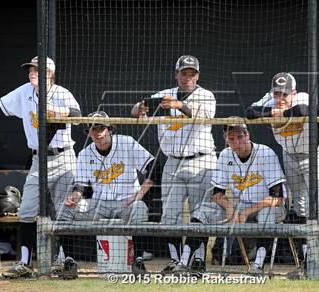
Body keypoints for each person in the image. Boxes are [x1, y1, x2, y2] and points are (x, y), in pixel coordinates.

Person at [0, 56, 81, 278]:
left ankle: (67, 261)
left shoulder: (62, 93)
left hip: (63, 158)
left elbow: (78, 116)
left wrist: (57, 113)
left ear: (49, 73)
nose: (32, 72)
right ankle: (24, 263)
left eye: (37, 69)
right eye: (31, 69)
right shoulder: (24, 91)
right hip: (38, 159)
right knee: (26, 211)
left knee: (66, 211)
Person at [131, 55, 217, 273]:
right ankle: (175, 259)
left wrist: (180, 105)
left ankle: (197, 260)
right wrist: (138, 109)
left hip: (202, 159)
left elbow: (205, 115)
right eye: (184, 73)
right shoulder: (163, 95)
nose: (188, 78)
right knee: (169, 215)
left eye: (192, 74)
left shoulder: (206, 95)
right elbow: (137, 111)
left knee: (200, 213)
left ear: (197, 76)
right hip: (173, 161)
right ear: (176, 74)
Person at [246, 72, 319, 279]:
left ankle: (316, 254)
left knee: (313, 203)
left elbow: (303, 109)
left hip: (314, 154)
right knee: (299, 205)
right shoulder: (271, 100)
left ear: (293, 92)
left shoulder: (302, 97)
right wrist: (271, 110)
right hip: (290, 155)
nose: (280, 97)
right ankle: (308, 256)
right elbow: (249, 112)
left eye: (284, 94)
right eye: (277, 93)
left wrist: (280, 115)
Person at [59, 111, 154, 274]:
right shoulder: (84, 154)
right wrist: (74, 198)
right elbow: (80, 185)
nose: (97, 132)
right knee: (66, 210)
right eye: (93, 128)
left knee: (140, 208)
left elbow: (153, 167)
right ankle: (69, 262)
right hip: (99, 204)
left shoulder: (126, 143)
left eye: (101, 127)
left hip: (126, 202)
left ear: (110, 128)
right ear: (88, 132)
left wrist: (140, 193)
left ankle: (137, 261)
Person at [196, 122, 286, 276]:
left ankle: (258, 266)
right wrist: (230, 208)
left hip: (271, 207)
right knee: (203, 210)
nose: (237, 142)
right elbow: (217, 193)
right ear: (226, 139)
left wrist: (246, 212)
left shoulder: (266, 153)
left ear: (247, 135)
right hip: (241, 206)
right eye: (231, 139)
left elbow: (277, 198)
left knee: (266, 214)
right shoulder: (225, 155)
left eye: (240, 137)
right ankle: (193, 262)